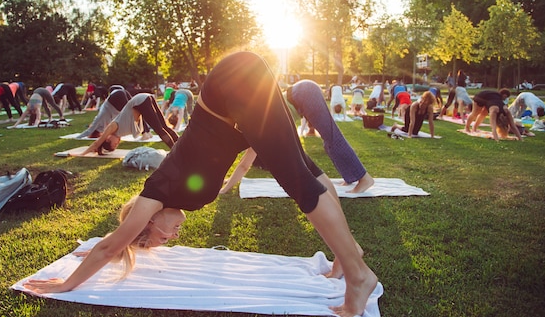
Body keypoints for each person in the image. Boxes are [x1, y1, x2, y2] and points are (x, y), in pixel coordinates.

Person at [23, 52, 378, 317]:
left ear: (147, 220)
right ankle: (347, 257)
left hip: (230, 84)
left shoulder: (154, 194)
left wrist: (65, 284)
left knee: (298, 180)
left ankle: (358, 275)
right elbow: (111, 245)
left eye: (160, 237)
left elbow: (112, 246)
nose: (171, 238)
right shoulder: (172, 196)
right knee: (304, 168)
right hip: (238, 83)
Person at [221, 79, 375, 193]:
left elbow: (244, 165)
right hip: (302, 93)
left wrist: (226, 188)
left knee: (332, 138)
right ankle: (351, 177)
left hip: (305, 94)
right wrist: (228, 180)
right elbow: (243, 162)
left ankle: (364, 178)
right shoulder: (254, 120)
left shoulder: (256, 125)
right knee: (329, 140)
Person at [80, 93, 179, 155]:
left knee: (159, 129)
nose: (118, 142)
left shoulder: (113, 127)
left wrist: (83, 153)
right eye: (116, 146)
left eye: (114, 143)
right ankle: (180, 145)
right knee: (163, 127)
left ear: (108, 138)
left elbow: (97, 143)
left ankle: (176, 152)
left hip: (139, 101)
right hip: (144, 99)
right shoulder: (120, 133)